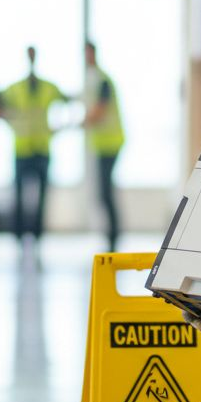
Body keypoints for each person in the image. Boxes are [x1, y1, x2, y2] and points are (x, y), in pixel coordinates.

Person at [0, 46, 68, 246]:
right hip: (22, 150)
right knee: (18, 197)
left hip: (42, 149)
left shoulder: (48, 87)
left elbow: (67, 101)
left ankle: (37, 237)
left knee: (42, 197)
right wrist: (10, 123)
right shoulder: (15, 88)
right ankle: (19, 236)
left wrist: (59, 127)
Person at [81, 41, 125, 251]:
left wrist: (80, 123)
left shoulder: (101, 80)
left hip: (111, 143)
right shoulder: (92, 79)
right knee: (104, 192)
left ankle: (114, 238)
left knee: (105, 193)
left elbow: (99, 110)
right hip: (102, 144)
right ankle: (112, 236)